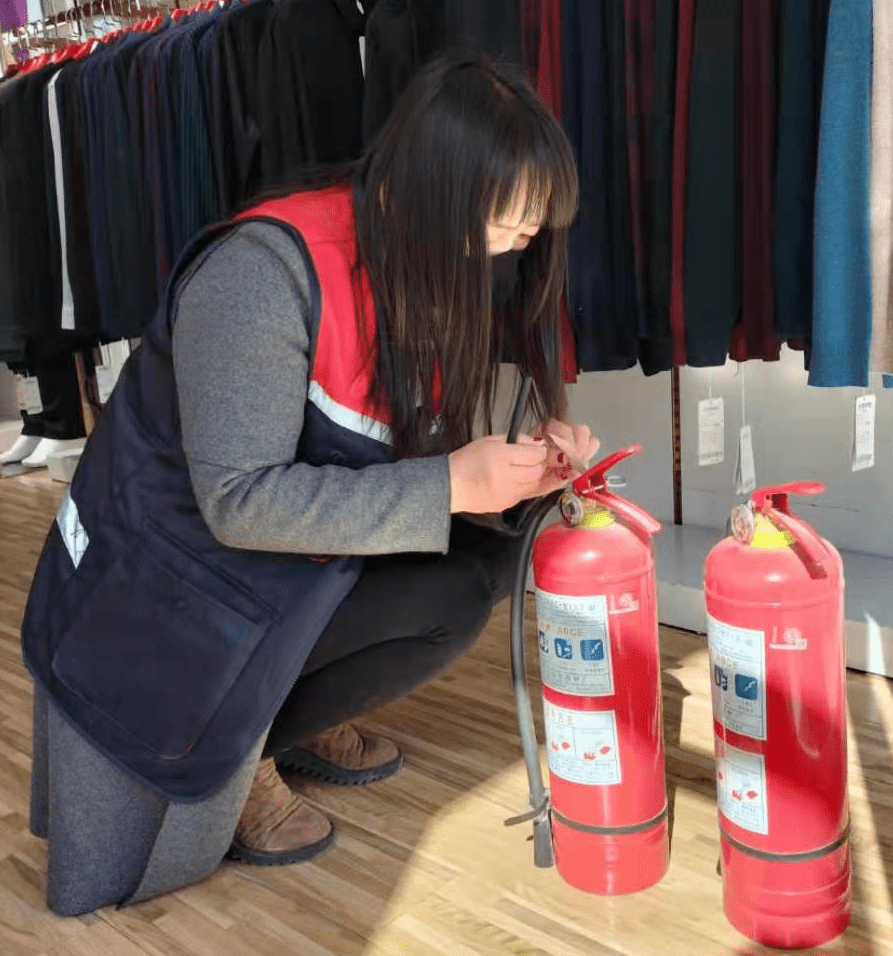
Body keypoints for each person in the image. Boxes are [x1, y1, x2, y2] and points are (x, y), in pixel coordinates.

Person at [21, 51, 596, 868]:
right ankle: (243, 749)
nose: (519, 242)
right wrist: (450, 482)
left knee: (487, 559)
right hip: (176, 586)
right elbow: (239, 502)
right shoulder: (263, 273)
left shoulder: (420, 263)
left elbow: (389, 444)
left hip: (273, 566)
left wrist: (525, 465)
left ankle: (284, 719)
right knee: (453, 568)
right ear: (436, 187)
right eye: (506, 222)